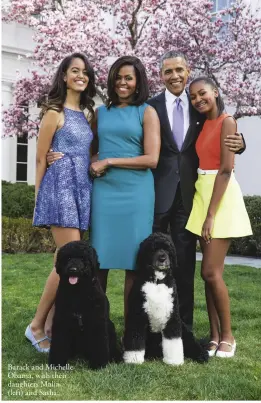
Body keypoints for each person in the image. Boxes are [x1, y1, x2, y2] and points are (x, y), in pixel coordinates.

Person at [147, 50, 245, 330]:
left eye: (179, 70)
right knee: (149, 262)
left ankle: (183, 328)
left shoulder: (199, 104)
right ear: (161, 75)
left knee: (185, 264)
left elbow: (222, 129)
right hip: (157, 194)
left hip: (191, 198)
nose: (174, 76)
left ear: (187, 71)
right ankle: (151, 325)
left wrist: (241, 142)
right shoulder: (150, 106)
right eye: (168, 71)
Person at [25, 52, 96, 352]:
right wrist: (39, 197)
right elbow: (41, 157)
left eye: (85, 72)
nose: (80, 75)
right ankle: (37, 325)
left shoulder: (90, 114)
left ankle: (53, 326)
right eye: (74, 71)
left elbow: (89, 152)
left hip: (82, 188)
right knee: (66, 259)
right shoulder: (53, 112)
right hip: (60, 188)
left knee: (64, 259)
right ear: (64, 76)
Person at [89, 56, 160, 323]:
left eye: (128, 77)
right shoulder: (101, 113)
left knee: (134, 263)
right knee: (98, 261)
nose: (122, 82)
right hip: (104, 193)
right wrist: (91, 162)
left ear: (138, 80)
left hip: (136, 194)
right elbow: (90, 149)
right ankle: (97, 330)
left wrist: (109, 160)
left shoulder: (147, 112)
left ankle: (132, 334)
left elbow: (151, 158)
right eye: (118, 77)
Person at [185, 76, 252, 357]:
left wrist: (210, 215)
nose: (198, 99)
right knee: (209, 274)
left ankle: (228, 336)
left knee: (210, 271)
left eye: (203, 94)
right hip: (202, 192)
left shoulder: (227, 121)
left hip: (220, 197)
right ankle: (213, 337)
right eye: (193, 97)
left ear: (215, 91)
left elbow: (225, 170)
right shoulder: (201, 124)